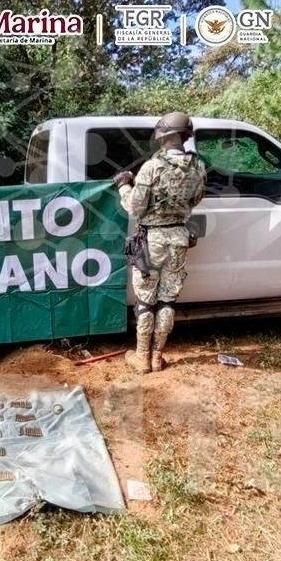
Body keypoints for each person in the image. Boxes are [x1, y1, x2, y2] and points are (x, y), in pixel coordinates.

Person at [115, 112, 206, 373]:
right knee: (167, 300)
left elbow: (135, 207)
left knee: (146, 300)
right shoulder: (198, 167)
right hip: (178, 238)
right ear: (185, 136)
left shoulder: (152, 167)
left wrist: (123, 185)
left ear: (162, 135)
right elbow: (196, 200)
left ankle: (142, 358)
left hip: (151, 240)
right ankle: (157, 357)